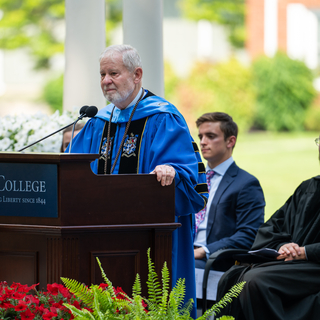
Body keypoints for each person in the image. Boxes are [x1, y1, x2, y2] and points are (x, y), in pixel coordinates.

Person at [68, 44, 207, 311]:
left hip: (149, 238)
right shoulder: (99, 121)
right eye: (102, 74)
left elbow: (191, 181)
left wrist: (172, 173)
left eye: (113, 73)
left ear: (137, 74)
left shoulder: (163, 117)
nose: (106, 81)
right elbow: (71, 171)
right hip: (99, 233)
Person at [216, 135, 320, 319]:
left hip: (314, 264)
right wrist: (282, 245)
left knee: (255, 280)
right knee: (233, 276)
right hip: (294, 264)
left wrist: (305, 251)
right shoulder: (309, 187)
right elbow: (273, 227)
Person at [194, 112, 265, 269]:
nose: (203, 142)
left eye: (210, 136)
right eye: (201, 137)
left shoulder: (247, 184)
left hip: (214, 260)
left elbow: (248, 235)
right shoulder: (194, 180)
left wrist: (203, 251)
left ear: (230, 141)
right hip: (185, 251)